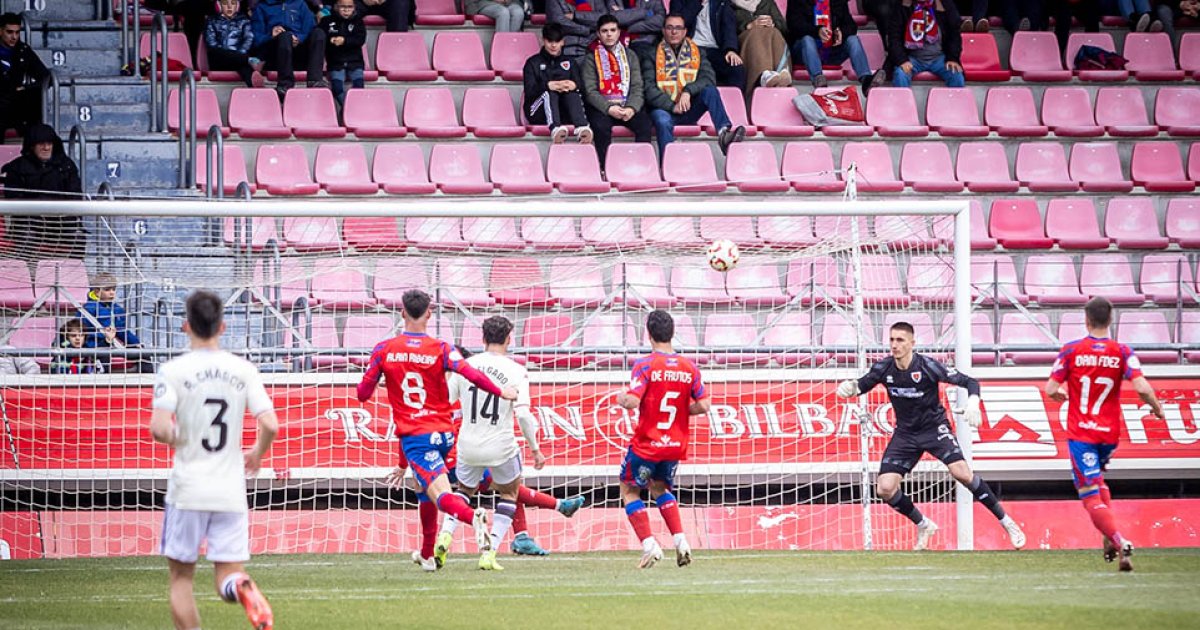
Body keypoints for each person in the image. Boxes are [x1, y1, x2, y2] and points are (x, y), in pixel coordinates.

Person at [357, 289, 518, 572]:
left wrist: (382, 378)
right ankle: (427, 554)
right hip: (444, 434)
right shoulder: (442, 348)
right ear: (429, 313)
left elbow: (362, 394)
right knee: (422, 490)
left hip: (416, 437)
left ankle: (472, 517)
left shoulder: (384, 349)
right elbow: (470, 373)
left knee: (441, 495)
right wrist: (500, 390)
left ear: (402, 313)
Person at [835, 321, 1026, 551]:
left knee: (962, 474)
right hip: (905, 434)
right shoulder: (884, 368)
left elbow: (969, 382)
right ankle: (924, 524)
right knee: (884, 488)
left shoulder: (927, 366)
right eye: (892, 340)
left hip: (934, 429)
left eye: (900, 340)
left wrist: (973, 402)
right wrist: (849, 388)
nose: (894, 345)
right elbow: (862, 385)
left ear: (912, 343)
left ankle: (1007, 522)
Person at [149, 290, 278, 630]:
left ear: (185, 326)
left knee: (181, 579)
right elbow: (271, 423)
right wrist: (257, 453)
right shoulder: (243, 369)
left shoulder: (173, 370)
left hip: (189, 488)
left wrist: (182, 436)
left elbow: (160, 428)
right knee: (229, 575)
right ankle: (243, 587)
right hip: (229, 487)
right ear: (222, 327)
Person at [1044, 297, 1165, 572]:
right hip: (1109, 436)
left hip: (1081, 434)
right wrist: (1157, 409)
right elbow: (1143, 388)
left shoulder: (1071, 351)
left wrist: (1063, 395)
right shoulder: (1122, 351)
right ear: (1111, 319)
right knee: (1098, 481)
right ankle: (1109, 539)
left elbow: (1051, 388)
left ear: (1086, 320)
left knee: (1088, 494)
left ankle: (1119, 540)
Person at [616, 310, 710, 568]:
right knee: (660, 488)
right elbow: (704, 405)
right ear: (672, 333)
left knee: (629, 489)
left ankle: (650, 546)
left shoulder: (645, 365)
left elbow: (633, 401)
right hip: (675, 445)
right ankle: (681, 541)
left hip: (648, 443)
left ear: (648, 334)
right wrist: (682, 411)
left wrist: (621, 398)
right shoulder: (688, 367)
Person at [642, 14, 746, 156]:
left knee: (710, 91)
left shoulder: (697, 52)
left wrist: (688, 91)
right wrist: (672, 106)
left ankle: (724, 134)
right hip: (663, 109)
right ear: (663, 31)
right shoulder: (650, 54)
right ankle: (668, 165)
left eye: (678, 28)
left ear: (685, 31)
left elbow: (708, 78)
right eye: (670, 28)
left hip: (688, 108)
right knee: (662, 120)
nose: (674, 32)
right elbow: (649, 90)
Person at [582, 14, 654, 172]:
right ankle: (605, 168)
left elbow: (637, 86)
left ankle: (641, 167)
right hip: (603, 107)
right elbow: (590, 91)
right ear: (598, 34)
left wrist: (631, 108)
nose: (609, 34)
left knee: (644, 125)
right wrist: (609, 108)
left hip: (626, 106)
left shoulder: (630, 56)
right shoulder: (590, 58)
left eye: (613, 30)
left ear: (619, 32)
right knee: (600, 127)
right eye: (605, 31)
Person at [1, 124, 83, 259]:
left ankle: (72, 276)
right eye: (41, 144)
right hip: (30, 223)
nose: (46, 148)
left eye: (49, 143)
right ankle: (28, 277)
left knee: (78, 234)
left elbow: (76, 196)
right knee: (26, 235)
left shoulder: (67, 166)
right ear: (32, 146)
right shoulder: (17, 168)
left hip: (61, 223)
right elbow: (14, 200)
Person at [787, 0, 883, 90]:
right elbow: (794, 25)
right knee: (807, 40)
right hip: (805, 53)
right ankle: (818, 79)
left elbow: (851, 26)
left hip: (831, 51)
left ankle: (866, 79)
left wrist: (841, 33)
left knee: (852, 39)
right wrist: (817, 31)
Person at [523, 23, 593, 144]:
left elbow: (581, 87)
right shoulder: (532, 63)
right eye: (550, 41)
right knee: (549, 93)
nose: (554, 45)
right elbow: (529, 92)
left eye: (557, 41)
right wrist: (548, 86)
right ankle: (555, 128)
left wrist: (574, 85)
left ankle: (582, 127)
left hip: (564, 112)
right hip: (537, 112)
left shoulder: (570, 62)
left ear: (563, 42)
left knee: (572, 92)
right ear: (543, 40)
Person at [251, 0, 329, 100]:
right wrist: (271, 35)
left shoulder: (300, 4)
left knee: (319, 33)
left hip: (299, 51)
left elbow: (310, 28)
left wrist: (299, 38)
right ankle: (285, 85)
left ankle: (315, 80)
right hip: (276, 54)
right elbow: (257, 39)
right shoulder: (262, 7)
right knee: (285, 36)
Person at [81, 272, 151, 373]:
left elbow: (122, 331)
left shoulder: (117, 309)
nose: (112, 293)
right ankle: (103, 382)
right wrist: (103, 339)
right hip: (95, 346)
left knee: (143, 354)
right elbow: (81, 329)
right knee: (104, 356)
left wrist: (135, 343)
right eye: (107, 290)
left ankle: (148, 382)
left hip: (113, 345)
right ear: (97, 291)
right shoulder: (88, 309)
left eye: (113, 289)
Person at [887, 0, 965, 88]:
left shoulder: (945, 4)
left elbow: (954, 34)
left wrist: (952, 58)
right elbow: (894, 37)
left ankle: (954, 102)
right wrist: (902, 60)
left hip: (939, 57)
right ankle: (903, 102)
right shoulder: (902, 5)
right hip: (912, 58)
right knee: (900, 74)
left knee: (956, 75)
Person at [674, 0, 747, 90]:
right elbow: (679, 24)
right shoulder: (679, 2)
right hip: (689, 49)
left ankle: (733, 102)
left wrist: (730, 50)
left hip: (714, 49)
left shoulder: (721, 2)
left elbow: (728, 26)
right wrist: (697, 3)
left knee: (736, 68)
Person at [0, 13, 49, 142]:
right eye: (9, 32)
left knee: (34, 96)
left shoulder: (23, 50)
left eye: (17, 32)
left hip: (13, 101)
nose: (14, 37)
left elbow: (45, 77)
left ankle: (32, 142)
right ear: (0, 31)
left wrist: (25, 88)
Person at [732, 0, 792, 97]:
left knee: (775, 32)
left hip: (769, 40)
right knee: (756, 33)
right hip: (745, 41)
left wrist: (773, 24)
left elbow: (784, 28)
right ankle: (763, 77)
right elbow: (725, 29)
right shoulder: (728, 4)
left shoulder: (767, 3)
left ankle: (781, 72)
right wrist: (748, 26)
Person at [206, 0, 265, 88]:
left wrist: (239, 54)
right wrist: (231, 55)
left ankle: (254, 84)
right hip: (219, 60)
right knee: (216, 52)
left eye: (233, 3)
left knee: (244, 67)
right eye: (225, 4)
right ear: (219, 5)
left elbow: (248, 39)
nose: (229, 6)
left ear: (237, 6)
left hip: (238, 59)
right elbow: (211, 43)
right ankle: (249, 61)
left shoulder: (244, 21)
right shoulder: (212, 21)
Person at [320, 0, 366, 106]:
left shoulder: (358, 22)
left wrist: (344, 40)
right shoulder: (327, 21)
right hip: (336, 62)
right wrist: (330, 40)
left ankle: (351, 110)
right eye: (343, 7)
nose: (346, 10)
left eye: (349, 7)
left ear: (354, 8)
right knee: (336, 88)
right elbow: (319, 38)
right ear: (336, 7)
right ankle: (348, 108)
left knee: (359, 87)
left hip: (355, 62)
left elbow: (360, 40)